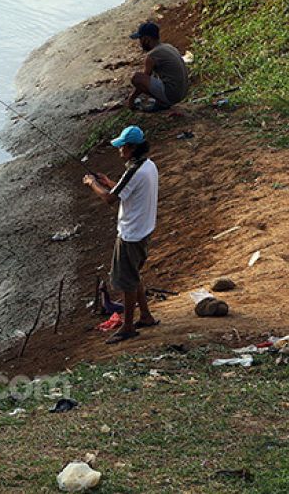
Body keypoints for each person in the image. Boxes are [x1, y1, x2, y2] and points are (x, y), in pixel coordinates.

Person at [82, 125, 160, 343]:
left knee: (127, 281)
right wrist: (109, 183)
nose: (119, 151)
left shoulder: (135, 170)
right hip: (144, 229)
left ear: (132, 148)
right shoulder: (148, 165)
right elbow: (126, 192)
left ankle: (127, 327)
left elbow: (109, 199)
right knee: (133, 274)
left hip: (131, 234)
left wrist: (93, 184)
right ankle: (145, 316)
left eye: (122, 147)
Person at [122, 21, 189, 112]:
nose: (140, 43)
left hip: (173, 95)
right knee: (153, 77)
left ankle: (163, 103)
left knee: (137, 78)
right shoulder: (168, 47)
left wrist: (131, 99)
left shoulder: (152, 55)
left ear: (146, 39)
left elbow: (143, 80)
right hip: (183, 92)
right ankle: (162, 101)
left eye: (140, 39)